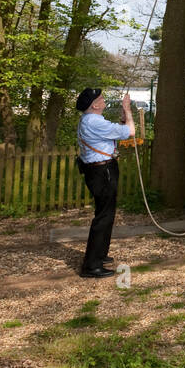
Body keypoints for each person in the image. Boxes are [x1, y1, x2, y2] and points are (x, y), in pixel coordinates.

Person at [76, 88, 135, 278]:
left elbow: (116, 133)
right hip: (102, 172)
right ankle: (91, 265)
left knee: (106, 214)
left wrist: (122, 118)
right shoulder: (94, 121)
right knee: (103, 216)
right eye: (100, 98)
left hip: (97, 170)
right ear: (94, 104)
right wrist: (127, 110)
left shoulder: (89, 120)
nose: (103, 100)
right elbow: (131, 132)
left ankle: (100, 255)